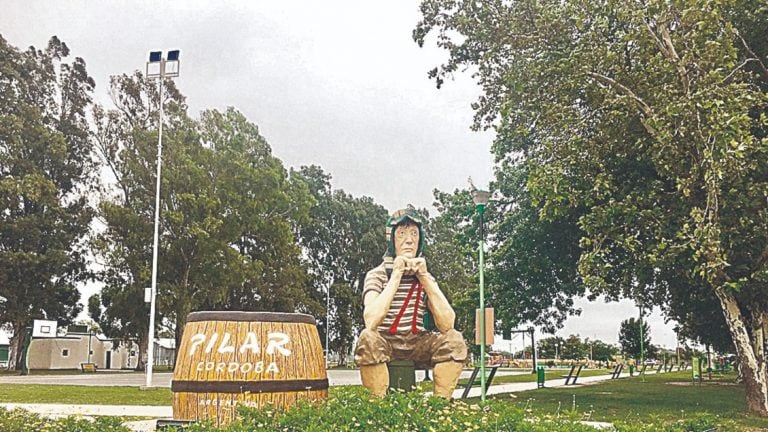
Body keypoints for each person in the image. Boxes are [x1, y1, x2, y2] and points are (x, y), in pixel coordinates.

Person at [354, 208, 467, 398]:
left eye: (414, 234)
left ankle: (439, 406)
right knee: (367, 339)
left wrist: (424, 276)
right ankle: (377, 408)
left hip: (417, 342)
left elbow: (447, 323)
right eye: (402, 234)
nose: (409, 240)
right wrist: (396, 275)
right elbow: (371, 321)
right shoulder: (377, 275)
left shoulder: (425, 278)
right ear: (392, 240)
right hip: (386, 342)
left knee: (454, 340)